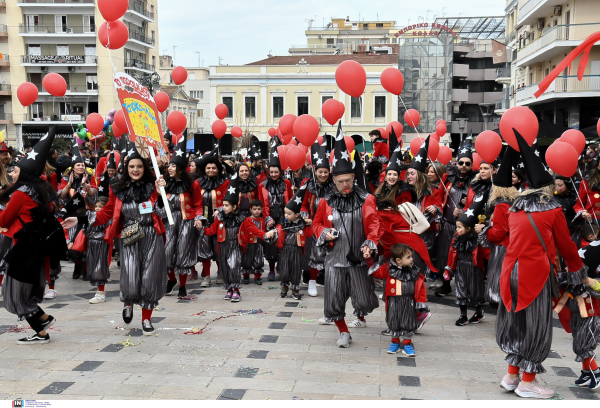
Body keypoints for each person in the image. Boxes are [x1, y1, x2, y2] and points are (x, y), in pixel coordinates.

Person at [496, 130, 586, 399]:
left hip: (510, 272)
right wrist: (577, 270)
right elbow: (567, 246)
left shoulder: (514, 208)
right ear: (546, 186)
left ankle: (512, 375)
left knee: (516, 324)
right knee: (536, 326)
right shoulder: (553, 209)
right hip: (535, 274)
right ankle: (527, 381)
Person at [64, 141, 168, 335]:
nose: (135, 170)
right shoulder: (117, 189)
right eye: (132, 166)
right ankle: (128, 303)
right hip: (129, 235)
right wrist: (80, 219)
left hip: (151, 236)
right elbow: (107, 213)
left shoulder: (153, 186)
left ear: (144, 168)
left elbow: (163, 214)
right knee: (130, 274)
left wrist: (161, 193)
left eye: (139, 166)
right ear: (126, 168)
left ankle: (146, 319)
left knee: (149, 277)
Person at [312, 125, 381, 347]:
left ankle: (360, 316)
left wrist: (370, 244)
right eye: (340, 181)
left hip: (358, 259)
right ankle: (343, 332)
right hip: (334, 259)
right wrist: (324, 232)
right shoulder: (325, 201)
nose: (344, 185)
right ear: (333, 181)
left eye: (348, 180)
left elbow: (374, 226)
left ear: (353, 177)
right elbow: (316, 224)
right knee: (333, 301)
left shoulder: (367, 199)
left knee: (364, 300)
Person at [1, 126, 67, 344]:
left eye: (16, 169)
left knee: (15, 294)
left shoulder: (20, 194)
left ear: (25, 172)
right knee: (24, 291)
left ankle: (41, 330)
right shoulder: (41, 191)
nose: (12, 171)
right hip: (35, 248)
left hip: (21, 247)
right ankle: (43, 322)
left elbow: (4, 221)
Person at [160, 134, 204, 299]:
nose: (169, 168)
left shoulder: (192, 185)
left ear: (180, 168)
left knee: (182, 253)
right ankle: (171, 280)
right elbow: (158, 203)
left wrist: (199, 219)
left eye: (173, 166)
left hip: (187, 222)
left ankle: (183, 286)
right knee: (166, 253)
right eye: (169, 165)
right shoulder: (164, 183)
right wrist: (159, 191)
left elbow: (198, 205)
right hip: (169, 222)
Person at [475, 147, 519, 306]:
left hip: (501, 248)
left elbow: (498, 233)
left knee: (498, 274)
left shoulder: (501, 204)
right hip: (512, 245)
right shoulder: (514, 201)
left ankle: (497, 299)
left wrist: (485, 230)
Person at [369, 243, 428, 356]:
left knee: (408, 322)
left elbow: (421, 288)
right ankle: (395, 342)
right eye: (408, 257)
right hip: (394, 302)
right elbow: (377, 273)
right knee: (393, 320)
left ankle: (407, 344)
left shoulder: (414, 271)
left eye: (411, 256)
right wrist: (369, 259)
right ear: (398, 260)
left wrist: (421, 301)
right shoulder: (388, 268)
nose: (411, 259)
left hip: (409, 301)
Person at [434, 134, 475, 296]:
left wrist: (465, 210)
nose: (464, 166)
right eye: (461, 163)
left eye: (467, 163)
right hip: (447, 223)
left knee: (463, 258)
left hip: (465, 228)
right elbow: (438, 198)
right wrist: (438, 218)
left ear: (471, 165)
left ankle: (464, 287)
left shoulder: (475, 182)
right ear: (456, 163)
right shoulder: (447, 177)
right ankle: (445, 284)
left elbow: (478, 204)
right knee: (444, 256)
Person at [202, 174, 247, 302]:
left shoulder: (241, 219)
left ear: (234, 207)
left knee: (234, 267)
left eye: (226, 205)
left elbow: (251, 229)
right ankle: (229, 289)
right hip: (223, 246)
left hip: (235, 246)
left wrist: (265, 234)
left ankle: (236, 290)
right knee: (225, 268)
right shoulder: (220, 218)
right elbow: (211, 230)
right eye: (223, 205)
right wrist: (201, 229)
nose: (223, 207)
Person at [59, 141, 98, 280]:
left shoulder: (90, 178)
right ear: (73, 167)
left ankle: (86, 269)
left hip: (86, 215)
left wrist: (86, 186)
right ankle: (77, 265)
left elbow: (94, 197)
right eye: (78, 165)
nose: (81, 167)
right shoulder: (65, 179)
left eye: (82, 165)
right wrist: (68, 185)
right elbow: (62, 198)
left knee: (85, 243)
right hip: (72, 216)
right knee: (73, 244)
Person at [405, 137, 443, 279]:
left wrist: (435, 208)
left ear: (420, 175)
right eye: (408, 173)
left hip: (425, 233)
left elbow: (439, 207)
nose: (409, 176)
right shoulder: (405, 191)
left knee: (420, 260)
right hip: (407, 231)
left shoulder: (433, 191)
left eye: (412, 174)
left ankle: (419, 285)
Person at [446, 195, 488, 326]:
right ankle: (463, 315)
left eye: (459, 227)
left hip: (474, 269)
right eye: (457, 227)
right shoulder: (456, 240)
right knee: (461, 289)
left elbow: (486, 253)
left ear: (469, 228)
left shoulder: (477, 241)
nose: (457, 229)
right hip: (460, 267)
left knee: (475, 291)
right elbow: (451, 255)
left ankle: (478, 312)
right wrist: (448, 269)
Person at [301, 139, 333, 296]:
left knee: (330, 255)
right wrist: (305, 215)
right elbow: (303, 204)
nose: (323, 174)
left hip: (330, 226)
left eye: (326, 172)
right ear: (315, 171)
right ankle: (312, 282)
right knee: (315, 255)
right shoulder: (309, 185)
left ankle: (329, 280)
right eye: (320, 171)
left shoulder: (334, 186)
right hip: (313, 225)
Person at [195, 148, 230, 288]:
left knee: (218, 247)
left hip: (219, 220)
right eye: (208, 168)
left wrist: (221, 209)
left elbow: (228, 200)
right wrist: (198, 217)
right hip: (204, 220)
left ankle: (220, 272)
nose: (211, 170)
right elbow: (195, 201)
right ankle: (207, 276)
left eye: (213, 168)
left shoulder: (224, 182)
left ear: (218, 169)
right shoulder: (197, 183)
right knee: (204, 248)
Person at [260, 140, 292, 281]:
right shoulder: (263, 185)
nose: (273, 174)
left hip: (284, 217)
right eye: (271, 172)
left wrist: (289, 216)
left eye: (276, 171)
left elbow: (290, 200)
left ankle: (282, 266)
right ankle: (272, 269)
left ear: (280, 171)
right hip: (270, 217)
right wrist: (267, 218)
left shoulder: (287, 183)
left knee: (284, 243)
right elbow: (262, 204)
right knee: (271, 244)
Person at [273, 183, 312, 300]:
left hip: (297, 250)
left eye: (289, 214)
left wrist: (309, 224)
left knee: (296, 271)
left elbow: (310, 234)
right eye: (285, 213)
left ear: (297, 215)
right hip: (285, 250)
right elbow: (278, 231)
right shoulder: (283, 224)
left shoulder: (302, 226)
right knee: (284, 270)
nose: (286, 215)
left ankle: (295, 290)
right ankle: (284, 288)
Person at [84, 196, 113, 304]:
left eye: (100, 207)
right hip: (91, 243)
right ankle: (98, 291)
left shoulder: (107, 219)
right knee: (92, 267)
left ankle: (101, 294)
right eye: (96, 206)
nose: (97, 208)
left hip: (101, 244)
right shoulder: (91, 217)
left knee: (100, 268)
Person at [239, 199, 270, 285]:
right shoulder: (247, 220)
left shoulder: (261, 220)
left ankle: (257, 277)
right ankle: (246, 276)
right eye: (255, 209)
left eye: (259, 209)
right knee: (247, 261)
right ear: (251, 210)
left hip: (258, 244)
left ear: (262, 210)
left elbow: (263, 231)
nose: (257, 211)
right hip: (249, 244)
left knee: (258, 260)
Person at [554, 175, 583, 248]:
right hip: (558, 228)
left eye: (560, 185)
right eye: (555, 185)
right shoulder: (550, 197)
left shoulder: (575, 196)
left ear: (567, 185)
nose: (557, 187)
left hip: (573, 228)